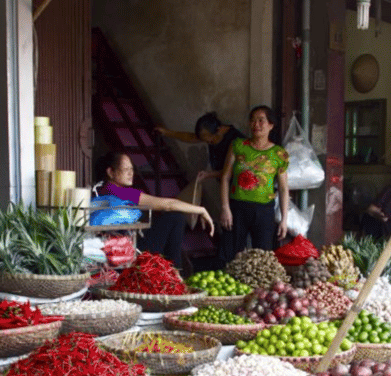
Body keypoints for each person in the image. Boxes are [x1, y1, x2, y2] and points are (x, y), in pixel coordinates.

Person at [93, 152, 215, 268]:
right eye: (126, 170)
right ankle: (176, 272)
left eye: (132, 169)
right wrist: (201, 210)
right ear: (110, 172)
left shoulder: (101, 190)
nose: (131, 173)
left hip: (115, 248)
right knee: (176, 217)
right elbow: (168, 205)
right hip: (128, 252)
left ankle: (173, 272)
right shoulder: (122, 193)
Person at [218, 105, 290, 265]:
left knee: (263, 258)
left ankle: (259, 290)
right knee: (230, 255)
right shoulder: (238, 145)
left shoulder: (279, 154)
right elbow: (225, 177)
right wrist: (225, 208)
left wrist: (284, 219)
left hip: (264, 211)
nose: (256, 124)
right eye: (252, 120)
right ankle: (231, 288)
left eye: (261, 120)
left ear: (271, 125)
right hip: (237, 208)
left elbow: (284, 188)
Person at [155, 113, 245, 182]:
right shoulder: (212, 135)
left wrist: (210, 174)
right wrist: (166, 132)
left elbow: (234, 170)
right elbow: (190, 137)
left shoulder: (237, 140)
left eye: (211, 141)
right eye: (206, 141)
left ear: (219, 130)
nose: (210, 143)